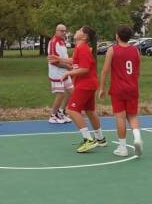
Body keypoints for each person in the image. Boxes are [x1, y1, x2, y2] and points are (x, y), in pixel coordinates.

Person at [59, 26, 107, 153]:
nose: (76, 31)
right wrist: (59, 59)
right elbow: (74, 60)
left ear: (84, 36)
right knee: (90, 111)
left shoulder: (83, 49)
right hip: (89, 83)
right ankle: (100, 139)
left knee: (71, 109)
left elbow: (85, 69)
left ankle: (88, 140)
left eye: (79, 30)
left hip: (85, 84)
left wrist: (68, 74)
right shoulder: (79, 48)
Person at [98, 25, 143, 157]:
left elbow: (105, 70)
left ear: (117, 36)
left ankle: (122, 148)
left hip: (118, 89)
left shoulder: (112, 50)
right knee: (133, 115)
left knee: (120, 117)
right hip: (133, 88)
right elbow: (138, 71)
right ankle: (137, 137)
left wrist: (101, 88)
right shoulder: (135, 50)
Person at [46, 24, 73, 123]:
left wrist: (69, 66)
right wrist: (68, 67)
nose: (64, 33)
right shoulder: (53, 43)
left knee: (72, 92)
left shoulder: (62, 41)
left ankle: (60, 112)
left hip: (65, 72)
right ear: (56, 31)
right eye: (61, 31)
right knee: (60, 94)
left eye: (65, 31)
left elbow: (64, 57)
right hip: (56, 73)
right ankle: (53, 115)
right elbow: (54, 61)